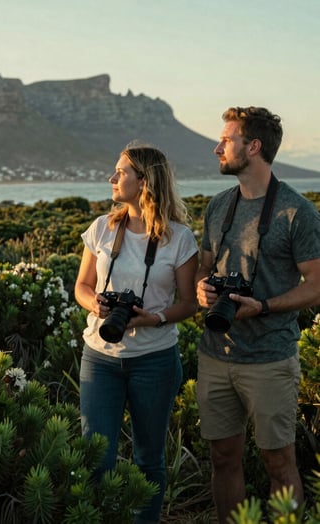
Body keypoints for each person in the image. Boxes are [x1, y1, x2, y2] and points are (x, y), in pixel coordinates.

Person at [195, 106, 320, 523]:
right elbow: (203, 267)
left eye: (226, 140)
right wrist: (201, 287)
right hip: (216, 354)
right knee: (222, 456)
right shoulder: (218, 206)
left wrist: (263, 306)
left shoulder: (295, 211)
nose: (217, 148)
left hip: (269, 358)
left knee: (278, 462)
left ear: (253, 146)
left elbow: (317, 284)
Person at [74, 143, 198, 523]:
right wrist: (96, 305)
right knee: (97, 459)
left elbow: (189, 304)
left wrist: (153, 319)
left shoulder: (179, 238)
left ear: (144, 182)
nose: (112, 179)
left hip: (155, 361)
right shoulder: (102, 228)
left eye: (121, 173)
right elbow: (81, 285)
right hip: (100, 359)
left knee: (149, 459)